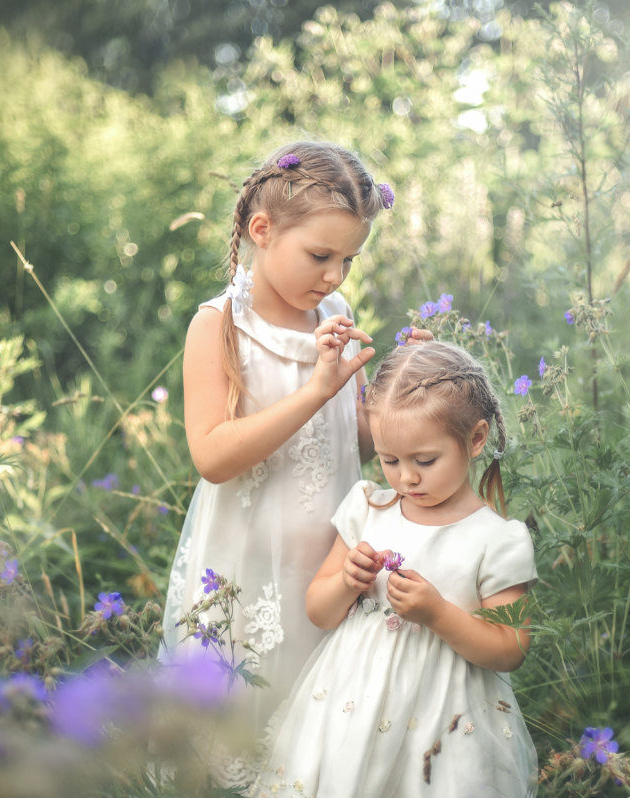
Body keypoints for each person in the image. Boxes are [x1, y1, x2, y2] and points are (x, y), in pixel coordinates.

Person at [164, 141, 423, 785]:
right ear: (262, 230)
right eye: (320, 256)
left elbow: (353, 442)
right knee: (239, 724)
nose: (335, 277)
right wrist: (316, 390)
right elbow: (213, 456)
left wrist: (404, 386)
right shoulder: (220, 326)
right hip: (246, 565)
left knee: (313, 749)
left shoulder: (335, 314)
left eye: (348, 260)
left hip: (328, 566)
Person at [249, 341, 540, 798]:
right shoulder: (369, 508)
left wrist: (439, 614)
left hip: (446, 718)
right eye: (389, 460)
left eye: (425, 461)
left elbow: (511, 648)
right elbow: (319, 611)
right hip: (352, 707)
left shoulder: (497, 539)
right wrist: (347, 581)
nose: (405, 478)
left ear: (476, 439)